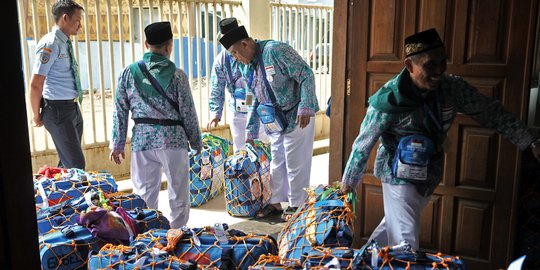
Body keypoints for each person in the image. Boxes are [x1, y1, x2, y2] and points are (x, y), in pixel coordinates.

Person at [340, 28, 540, 250]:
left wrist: (529, 140)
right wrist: (348, 185)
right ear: (409, 66)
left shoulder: (451, 87)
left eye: (442, 62)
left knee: (393, 227)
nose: (439, 71)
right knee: (406, 244)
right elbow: (363, 143)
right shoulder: (389, 99)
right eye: (430, 65)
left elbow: (491, 112)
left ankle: (363, 261)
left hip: (428, 173)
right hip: (397, 176)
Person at [218, 18, 320, 221]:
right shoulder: (246, 67)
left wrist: (306, 105)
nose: (235, 59)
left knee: (295, 163)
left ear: (245, 44)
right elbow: (253, 98)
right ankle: (274, 202)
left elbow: (306, 74)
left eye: (235, 53)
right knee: (276, 162)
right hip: (274, 121)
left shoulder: (276, 51)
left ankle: (297, 205)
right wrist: (251, 132)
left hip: (297, 116)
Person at [109, 21, 202, 228]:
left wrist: (117, 144)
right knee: (178, 192)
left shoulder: (128, 73)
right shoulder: (178, 75)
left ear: (146, 45)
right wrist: (196, 141)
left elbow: (120, 110)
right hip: (173, 141)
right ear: (170, 46)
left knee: (143, 193)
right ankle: (178, 234)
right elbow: (188, 111)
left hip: (142, 141)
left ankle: (146, 235)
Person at [30, 0, 85, 169]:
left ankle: (57, 195)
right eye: (78, 20)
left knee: (67, 163)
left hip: (72, 108)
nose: (80, 25)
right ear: (65, 18)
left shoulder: (64, 42)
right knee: (76, 165)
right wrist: (36, 114)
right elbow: (36, 84)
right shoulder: (51, 43)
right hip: (57, 110)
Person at [207, 18, 268, 153]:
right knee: (241, 150)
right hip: (237, 111)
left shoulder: (253, 50)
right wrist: (215, 113)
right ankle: (243, 173)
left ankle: (263, 173)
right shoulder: (221, 61)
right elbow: (216, 86)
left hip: (258, 109)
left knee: (262, 146)